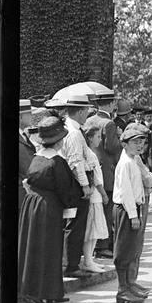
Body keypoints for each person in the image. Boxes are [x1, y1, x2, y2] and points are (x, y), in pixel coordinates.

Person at [18, 116, 81, 303]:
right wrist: (72, 203)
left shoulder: (37, 158)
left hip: (32, 205)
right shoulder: (57, 161)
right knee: (49, 249)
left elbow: (28, 181)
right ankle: (41, 293)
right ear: (60, 141)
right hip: (49, 208)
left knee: (33, 248)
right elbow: (65, 189)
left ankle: (43, 291)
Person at [112, 122, 152, 303]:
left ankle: (129, 285)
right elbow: (126, 192)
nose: (139, 146)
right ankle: (122, 289)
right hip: (126, 209)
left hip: (134, 208)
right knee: (123, 249)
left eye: (141, 142)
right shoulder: (125, 164)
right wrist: (132, 215)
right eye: (135, 142)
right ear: (124, 144)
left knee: (131, 248)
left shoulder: (133, 160)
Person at [56, 94, 96, 277]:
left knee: (74, 223)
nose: (87, 113)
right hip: (76, 184)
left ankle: (70, 263)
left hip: (76, 181)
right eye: (86, 109)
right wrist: (85, 185)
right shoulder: (73, 133)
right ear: (80, 112)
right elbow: (76, 162)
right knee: (75, 224)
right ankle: (70, 266)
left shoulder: (73, 129)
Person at [83, 90, 122, 260]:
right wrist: (120, 137)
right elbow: (112, 148)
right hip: (107, 171)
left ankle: (97, 244)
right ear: (110, 103)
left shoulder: (89, 119)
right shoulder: (109, 123)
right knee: (107, 210)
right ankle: (103, 246)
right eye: (114, 103)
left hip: (93, 167)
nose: (115, 105)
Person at [80, 125, 111, 273]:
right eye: (98, 137)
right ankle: (87, 260)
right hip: (95, 196)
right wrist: (104, 194)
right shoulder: (90, 154)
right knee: (91, 230)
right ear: (90, 138)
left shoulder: (92, 153)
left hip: (97, 197)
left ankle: (90, 259)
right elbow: (96, 179)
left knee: (95, 231)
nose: (100, 139)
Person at [19, 99, 37, 215]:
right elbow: (26, 166)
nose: (32, 116)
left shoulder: (24, 135)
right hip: (22, 193)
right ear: (20, 117)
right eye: (29, 113)